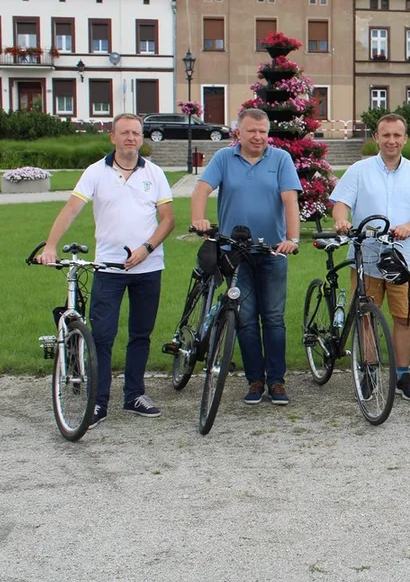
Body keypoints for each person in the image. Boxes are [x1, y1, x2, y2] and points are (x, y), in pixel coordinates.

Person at [38, 113, 175, 428]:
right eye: (124, 132)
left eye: (136, 133)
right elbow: (72, 208)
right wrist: (50, 246)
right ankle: (98, 403)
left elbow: (168, 220)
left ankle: (134, 396)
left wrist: (147, 249)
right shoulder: (95, 172)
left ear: (142, 138)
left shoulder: (154, 173)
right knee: (102, 335)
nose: (130, 138)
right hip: (108, 268)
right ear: (112, 137)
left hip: (148, 267)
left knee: (141, 334)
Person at [191, 107, 301, 405]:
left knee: (274, 319)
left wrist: (292, 238)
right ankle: (255, 380)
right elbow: (201, 190)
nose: (258, 136)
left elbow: (290, 200)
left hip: (273, 252)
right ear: (238, 131)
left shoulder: (280, 159)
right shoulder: (224, 159)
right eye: (251, 130)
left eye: (263, 131)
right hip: (235, 253)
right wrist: (199, 220)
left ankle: (276, 381)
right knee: (246, 318)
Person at [330, 113, 410, 401]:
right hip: (366, 258)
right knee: (365, 317)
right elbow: (340, 204)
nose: (391, 140)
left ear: (405, 139)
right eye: (385, 135)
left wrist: (409, 227)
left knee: (403, 319)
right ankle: (368, 370)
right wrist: (341, 220)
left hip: (405, 260)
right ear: (376, 138)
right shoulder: (359, 170)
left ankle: (402, 374)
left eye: (397, 135)